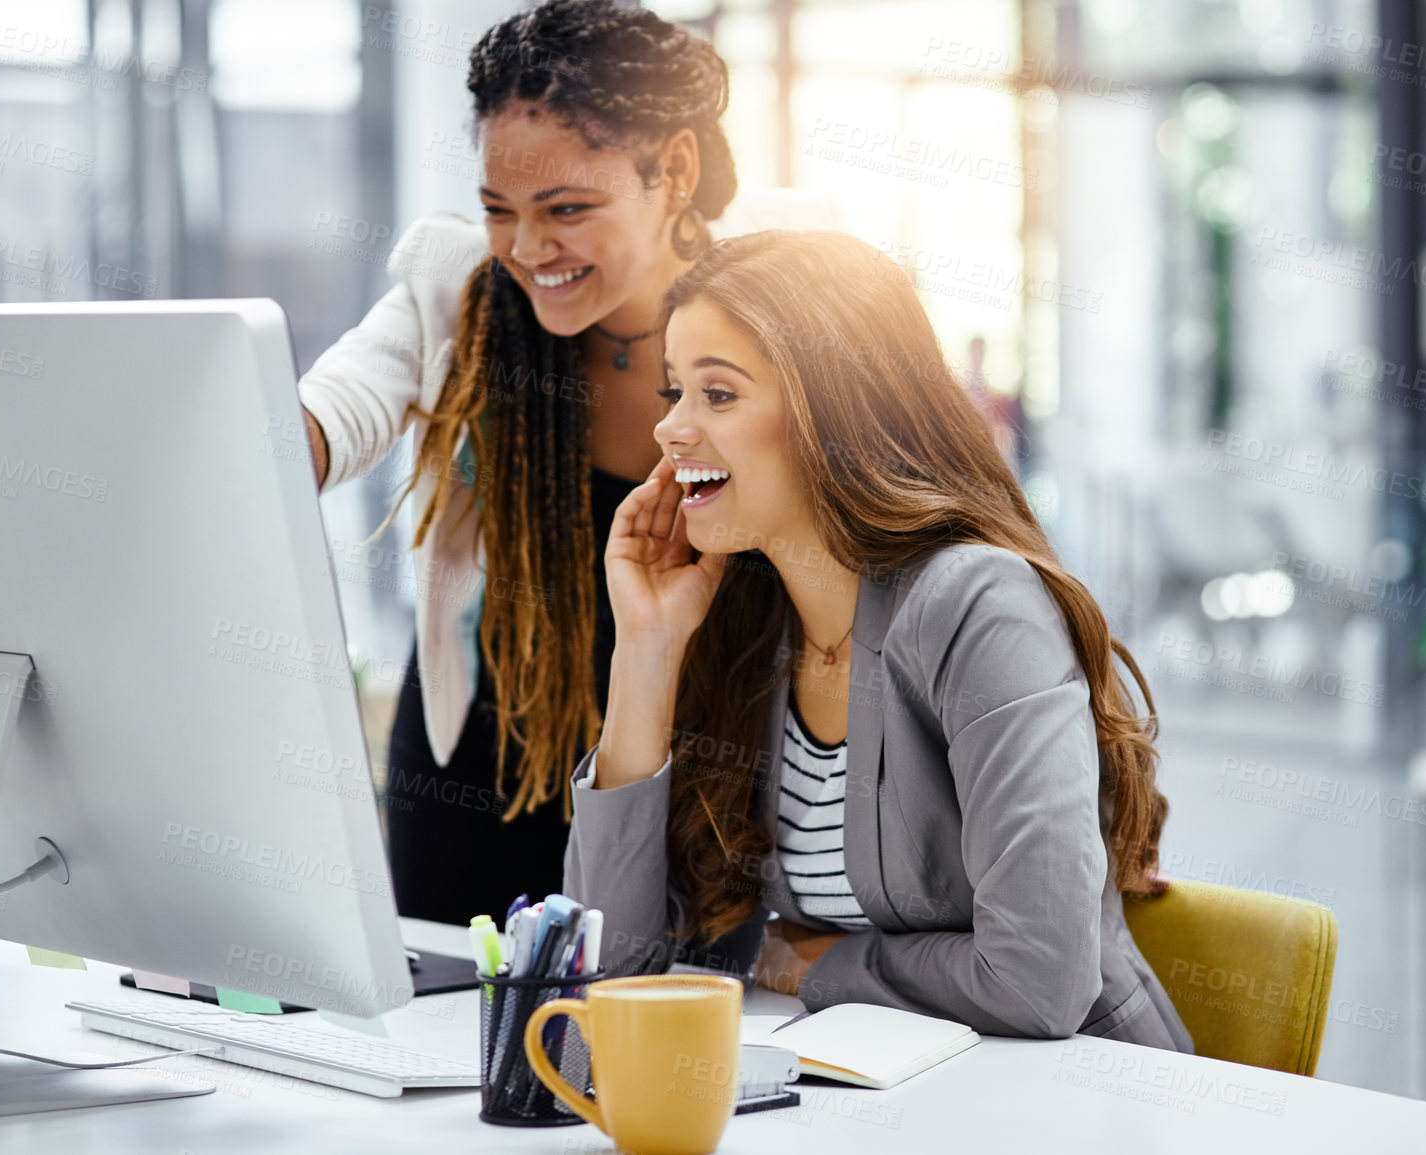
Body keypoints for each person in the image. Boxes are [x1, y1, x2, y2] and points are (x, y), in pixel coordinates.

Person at [564, 230, 1193, 1047]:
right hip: (882, 1096)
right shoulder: (745, 626)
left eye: (717, 395)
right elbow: (608, 978)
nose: (670, 430)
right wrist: (644, 649)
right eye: (673, 390)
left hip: (1070, 1103)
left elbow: (1038, 983)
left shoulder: (977, 604)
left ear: (836, 407)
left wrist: (821, 966)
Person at [295, 0, 745, 925]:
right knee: (453, 1049)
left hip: (679, 773)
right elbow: (329, 410)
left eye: (567, 209)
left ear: (675, 171)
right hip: (475, 766)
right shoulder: (461, 294)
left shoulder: (762, 324)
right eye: (500, 209)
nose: (528, 249)